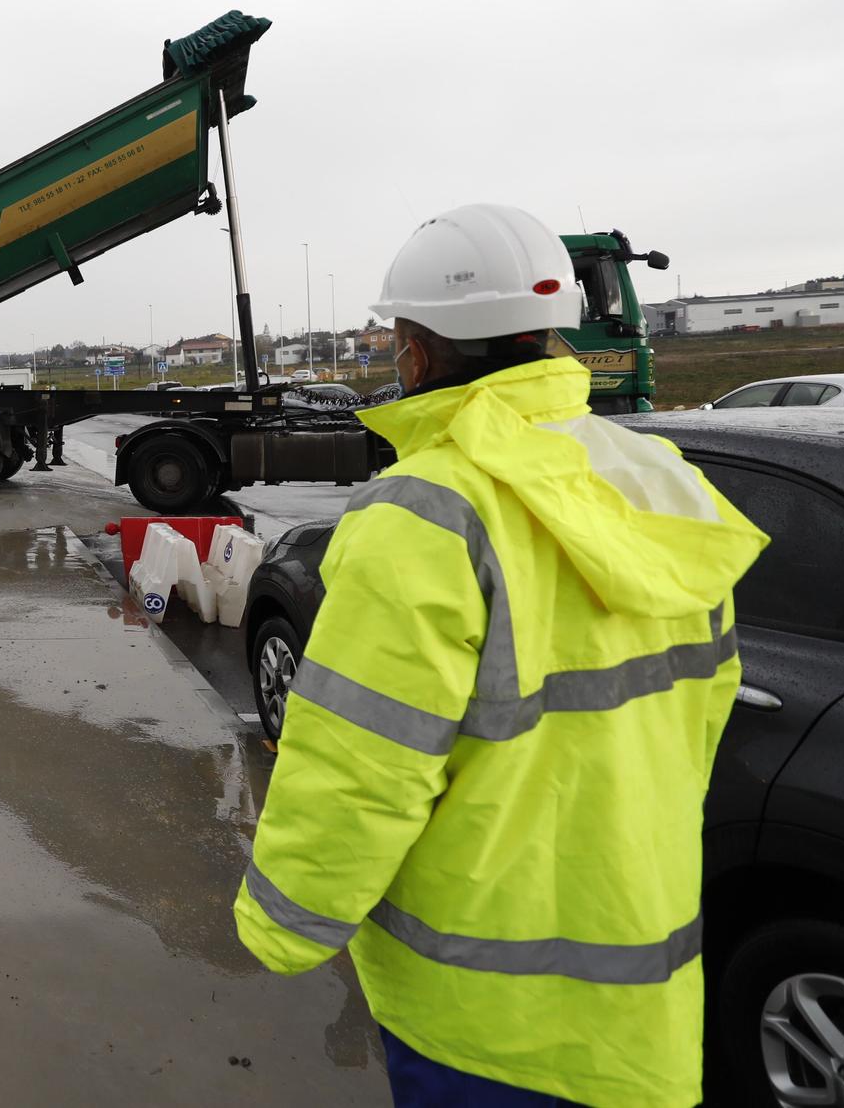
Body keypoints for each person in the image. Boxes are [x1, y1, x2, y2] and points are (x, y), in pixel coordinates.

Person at [231, 204, 767, 1106]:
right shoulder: (663, 481)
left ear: (418, 349)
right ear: (546, 331)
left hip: (477, 1018)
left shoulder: (426, 512)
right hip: (640, 990)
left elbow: (361, 765)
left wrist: (283, 923)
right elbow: (703, 712)